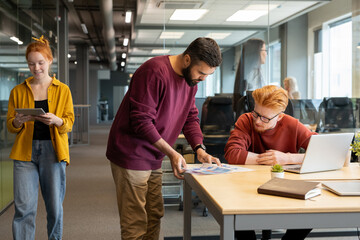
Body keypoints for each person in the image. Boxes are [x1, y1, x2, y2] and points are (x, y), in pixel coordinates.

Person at [106, 37, 223, 239]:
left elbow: (190, 116)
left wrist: (199, 149)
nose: (203, 79)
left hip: (154, 155)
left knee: (154, 215)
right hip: (131, 153)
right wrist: (172, 153)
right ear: (187, 59)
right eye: (201, 73)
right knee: (135, 222)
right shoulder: (154, 72)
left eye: (208, 75)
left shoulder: (190, 81)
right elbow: (141, 121)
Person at [225, 85, 316, 240]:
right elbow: (232, 154)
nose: (258, 121)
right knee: (235, 215)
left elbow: (322, 151)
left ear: (279, 116)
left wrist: (287, 158)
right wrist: (271, 160)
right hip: (247, 188)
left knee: (313, 212)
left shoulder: (292, 124)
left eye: (265, 118)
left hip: (286, 188)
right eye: (256, 113)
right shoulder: (246, 120)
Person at [6, 35, 74, 240]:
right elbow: (10, 124)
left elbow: (69, 122)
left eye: (41, 63)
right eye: (31, 64)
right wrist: (18, 121)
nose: (36, 68)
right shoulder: (18, 90)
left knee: (54, 207)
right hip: (24, 153)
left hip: (53, 152)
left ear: (50, 61)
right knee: (24, 208)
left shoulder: (63, 90)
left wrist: (57, 121)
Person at [233, 38, 267, 112]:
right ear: (256, 52)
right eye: (264, 50)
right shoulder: (251, 74)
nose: (266, 54)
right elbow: (255, 98)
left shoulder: (254, 71)